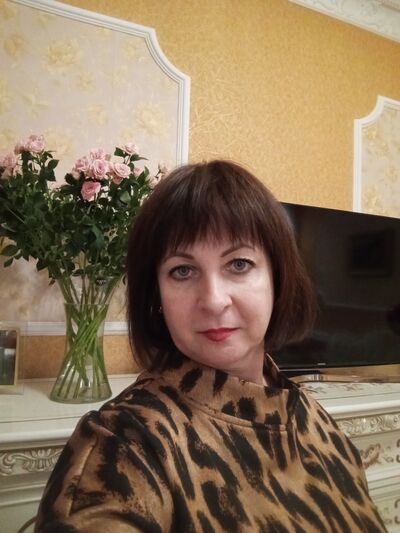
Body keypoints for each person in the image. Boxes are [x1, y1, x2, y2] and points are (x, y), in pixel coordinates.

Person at [35, 160, 386, 532]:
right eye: (182, 270)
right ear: (156, 296)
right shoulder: (125, 441)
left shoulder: (317, 420)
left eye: (239, 264)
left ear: (277, 278)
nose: (214, 300)